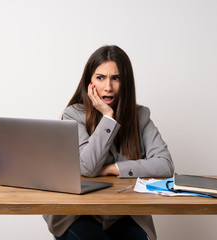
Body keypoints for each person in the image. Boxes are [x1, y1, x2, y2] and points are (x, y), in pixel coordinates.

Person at [43, 45, 174, 240]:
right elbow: (88, 167)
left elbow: (165, 165)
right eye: (100, 77)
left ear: (126, 82)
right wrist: (108, 118)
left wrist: (114, 168)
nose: (108, 87)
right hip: (78, 214)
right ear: (90, 81)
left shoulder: (140, 116)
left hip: (123, 213)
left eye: (116, 78)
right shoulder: (73, 115)